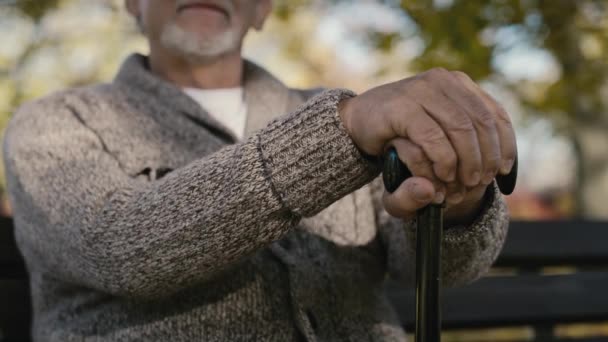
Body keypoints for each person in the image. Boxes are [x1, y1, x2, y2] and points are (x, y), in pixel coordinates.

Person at [2, 0, 516, 341]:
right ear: (133, 0)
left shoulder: (333, 109)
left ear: (264, 8)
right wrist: (344, 130)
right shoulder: (55, 121)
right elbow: (120, 247)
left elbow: (437, 268)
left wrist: (457, 200)